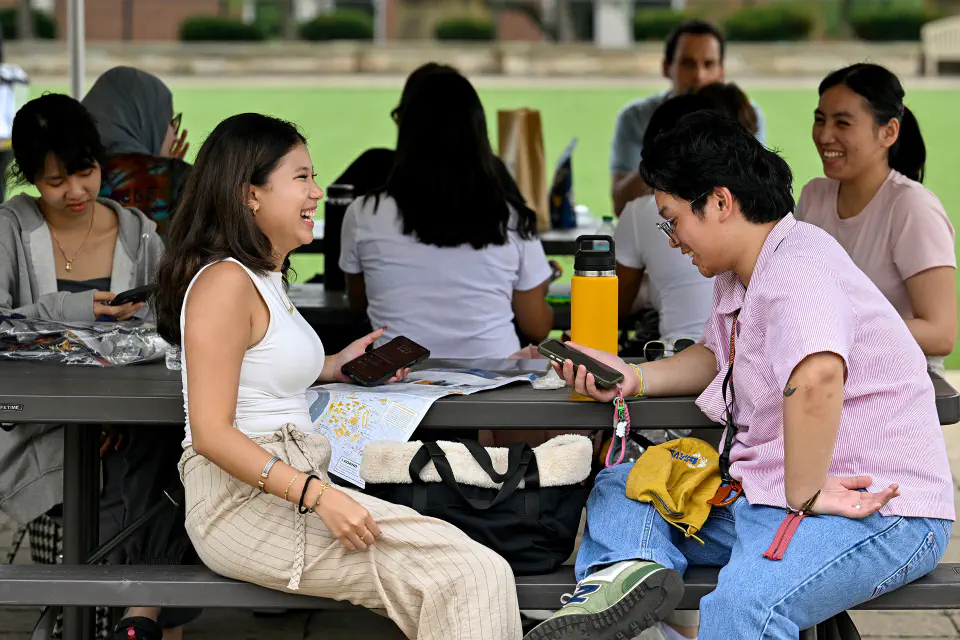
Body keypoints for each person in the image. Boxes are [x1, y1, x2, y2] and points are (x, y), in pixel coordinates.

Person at [524, 111, 954, 640]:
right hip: (770, 495)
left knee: (743, 606)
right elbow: (716, 355)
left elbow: (817, 376)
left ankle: (633, 573)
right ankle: (628, 575)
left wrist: (805, 493)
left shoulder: (798, 267)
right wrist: (635, 377)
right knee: (624, 483)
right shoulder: (744, 272)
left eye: (672, 219)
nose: (672, 238)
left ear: (720, 202)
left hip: (877, 507)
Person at [152, 112, 523, 640]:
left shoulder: (261, 276)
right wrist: (319, 497)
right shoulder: (224, 283)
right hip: (241, 505)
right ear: (250, 195)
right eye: (301, 177)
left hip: (293, 483)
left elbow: (260, 370)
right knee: (468, 574)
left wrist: (335, 366)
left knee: (474, 569)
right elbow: (211, 433)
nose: (317, 192)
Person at [0, 94, 197, 640]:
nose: (76, 191)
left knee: (181, 455)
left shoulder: (138, 233)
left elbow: (168, 333)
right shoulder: (10, 230)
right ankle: (143, 614)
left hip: (127, 421)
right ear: (30, 178)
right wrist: (70, 308)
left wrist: (114, 409)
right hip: (39, 425)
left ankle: (134, 616)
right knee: (157, 479)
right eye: (55, 181)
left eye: (85, 172)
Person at [338, 68, 553, 359]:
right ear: (479, 133)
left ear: (406, 131)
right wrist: (538, 285)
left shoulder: (364, 212)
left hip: (397, 377)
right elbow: (537, 327)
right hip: (497, 378)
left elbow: (358, 302)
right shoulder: (512, 217)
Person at [796, 63, 956, 375]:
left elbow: (941, 333)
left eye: (843, 123)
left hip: (904, 383)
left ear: (889, 132)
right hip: (832, 376)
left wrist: (839, 329)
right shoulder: (814, 196)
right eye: (820, 119)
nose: (825, 135)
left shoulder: (912, 207)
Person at [610, 20, 767, 217]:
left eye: (708, 64)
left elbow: (757, 198)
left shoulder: (745, 115)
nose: (699, 76)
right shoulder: (636, 117)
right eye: (687, 63)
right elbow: (620, 206)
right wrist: (664, 155)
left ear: (722, 71)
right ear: (666, 67)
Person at [82, 66, 191, 237]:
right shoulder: (180, 178)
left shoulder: (71, 176)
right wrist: (172, 172)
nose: (175, 136)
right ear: (147, 122)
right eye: (170, 121)